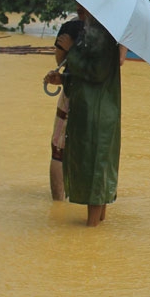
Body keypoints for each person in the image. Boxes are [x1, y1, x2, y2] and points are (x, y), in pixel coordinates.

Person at [43, 5, 125, 226]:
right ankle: (97, 223)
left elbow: (95, 72)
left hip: (96, 115)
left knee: (95, 168)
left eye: (83, 11)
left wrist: (71, 51)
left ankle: (92, 227)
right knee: (98, 166)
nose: (79, 13)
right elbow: (87, 76)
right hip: (95, 110)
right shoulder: (98, 36)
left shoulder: (102, 38)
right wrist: (62, 79)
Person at [47, 11, 85, 201]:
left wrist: (70, 51)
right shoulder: (110, 32)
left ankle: (59, 201)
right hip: (100, 100)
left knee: (59, 148)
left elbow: (60, 58)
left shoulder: (70, 28)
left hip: (72, 92)